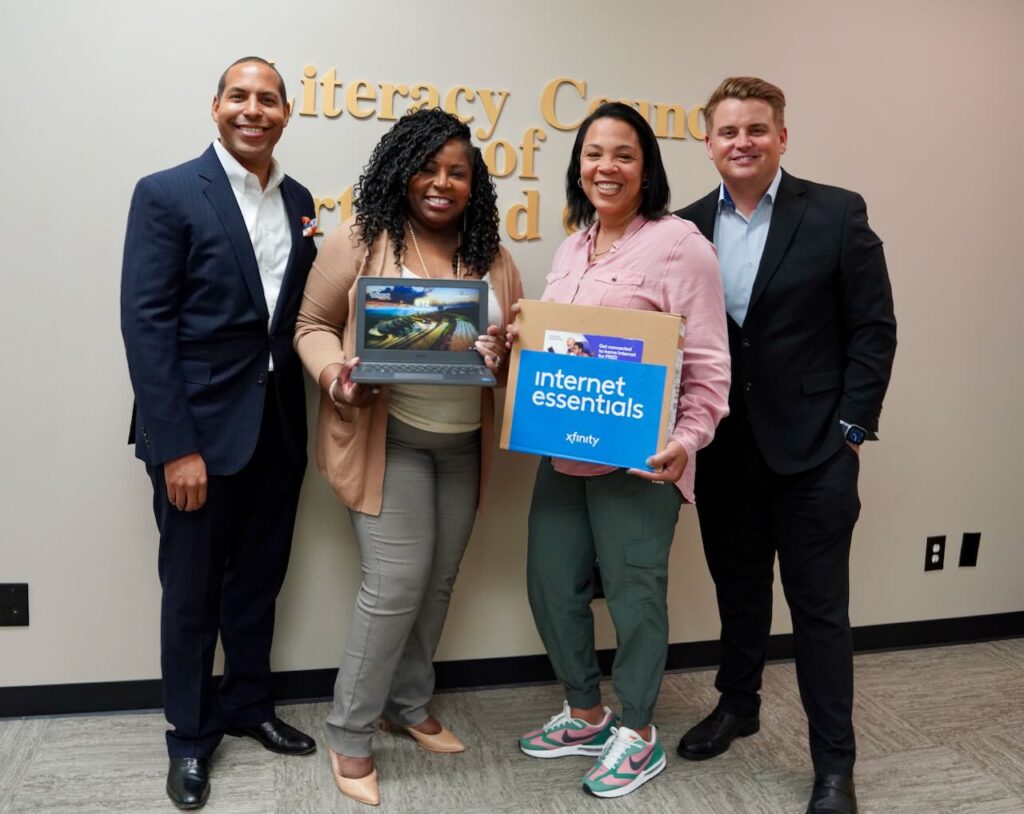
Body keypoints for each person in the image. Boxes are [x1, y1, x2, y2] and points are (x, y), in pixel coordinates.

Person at [673, 77, 897, 814]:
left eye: (757, 130)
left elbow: (873, 328)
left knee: (819, 614)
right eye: (729, 131)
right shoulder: (683, 228)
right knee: (738, 595)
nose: (743, 142)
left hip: (814, 455)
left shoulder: (835, 212)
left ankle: (835, 765)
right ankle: (738, 705)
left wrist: (852, 432)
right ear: (708, 142)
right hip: (724, 449)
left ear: (782, 137)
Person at [293, 107, 523, 807]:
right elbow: (312, 325)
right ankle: (349, 731)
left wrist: (503, 352)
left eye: (458, 172)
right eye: (429, 166)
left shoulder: (491, 254)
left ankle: (409, 699)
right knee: (394, 584)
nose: (441, 183)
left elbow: (514, 350)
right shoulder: (363, 239)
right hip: (387, 439)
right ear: (403, 168)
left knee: (439, 580)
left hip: (460, 446)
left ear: (473, 185)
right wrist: (338, 376)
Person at [512, 102, 730, 799]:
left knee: (637, 597)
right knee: (550, 584)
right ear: (579, 165)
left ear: (647, 167)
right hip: (563, 452)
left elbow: (709, 366)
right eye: (593, 153)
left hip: (639, 460)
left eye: (624, 154)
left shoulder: (680, 245)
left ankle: (637, 731)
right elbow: (562, 347)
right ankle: (584, 712)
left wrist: (687, 441)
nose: (606, 167)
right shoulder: (573, 246)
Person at [120, 57, 318, 810]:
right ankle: (191, 738)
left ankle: (249, 704)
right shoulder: (167, 194)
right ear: (215, 107)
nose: (253, 109)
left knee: (259, 582)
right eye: (240, 96)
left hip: (278, 431)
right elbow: (146, 326)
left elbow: (293, 318)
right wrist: (176, 446)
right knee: (193, 593)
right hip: (196, 435)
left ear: (286, 114)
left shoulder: (298, 200)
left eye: (268, 99)